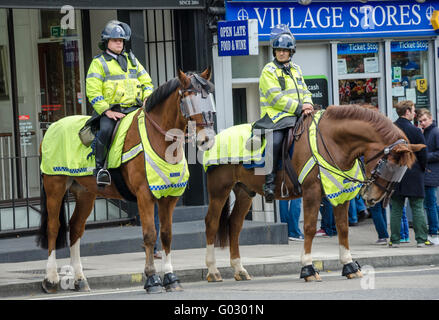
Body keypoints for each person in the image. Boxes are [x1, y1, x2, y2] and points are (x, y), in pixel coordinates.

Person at [248, 24, 314, 202]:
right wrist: (300, 107)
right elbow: (275, 98)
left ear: (291, 52)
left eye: (285, 50)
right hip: (275, 118)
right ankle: (269, 183)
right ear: (274, 51)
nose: (282, 53)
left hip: (297, 116)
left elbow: (305, 91)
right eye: (278, 50)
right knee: (275, 141)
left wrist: (308, 103)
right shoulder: (268, 71)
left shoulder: (296, 69)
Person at [86, 20, 154, 186]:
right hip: (112, 112)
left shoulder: (132, 60)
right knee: (105, 131)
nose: (119, 43)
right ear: (106, 42)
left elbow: (147, 82)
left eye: (121, 40)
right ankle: (100, 169)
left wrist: (147, 97)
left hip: (136, 109)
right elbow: (93, 90)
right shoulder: (98, 63)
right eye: (115, 40)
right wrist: (106, 111)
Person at [389, 100, 433, 247]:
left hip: (395, 173)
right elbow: (423, 153)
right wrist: (422, 168)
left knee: (396, 208)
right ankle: (421, 239)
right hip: (414, 173)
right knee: (417, 207)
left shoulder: (391, 129)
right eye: (413, 111)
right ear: (407, 112)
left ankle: (394, 240)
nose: (415, 114)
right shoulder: (415, 131)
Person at [417, 108, 439, 245]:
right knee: (431, 204)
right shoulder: (425, 132)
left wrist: (424, 157)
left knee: (430, 204)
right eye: (420, 121)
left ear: (430, 118)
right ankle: (434, 231)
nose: (423, 123)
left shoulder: (436, 132)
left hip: (432, 173)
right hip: (427, 172)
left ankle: (434, 233)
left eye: (425, 120)